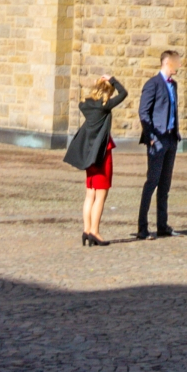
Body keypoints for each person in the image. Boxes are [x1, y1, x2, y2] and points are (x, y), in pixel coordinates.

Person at [63, 74, 127, 246]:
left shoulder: (85, 105)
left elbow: (84, 101)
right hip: (102, 153)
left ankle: (86, 229)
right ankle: (95, 232)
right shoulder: (105, 105)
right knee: (100, 195)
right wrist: (113, 79)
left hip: (88, 152)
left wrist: (101, 83)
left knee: (90, 193)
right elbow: (124, 93)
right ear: (108, 93)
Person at [136, 48, 181, 238]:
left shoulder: (174, 85)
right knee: (152, 182)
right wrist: (152, 137)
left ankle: (162, 225)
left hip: (171, 138)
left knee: (165, 184)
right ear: (167, 63)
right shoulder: (152, 84)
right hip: (158, 140)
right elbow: (143, 112)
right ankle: (142, 227)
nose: (178, 66)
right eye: (176, 62)